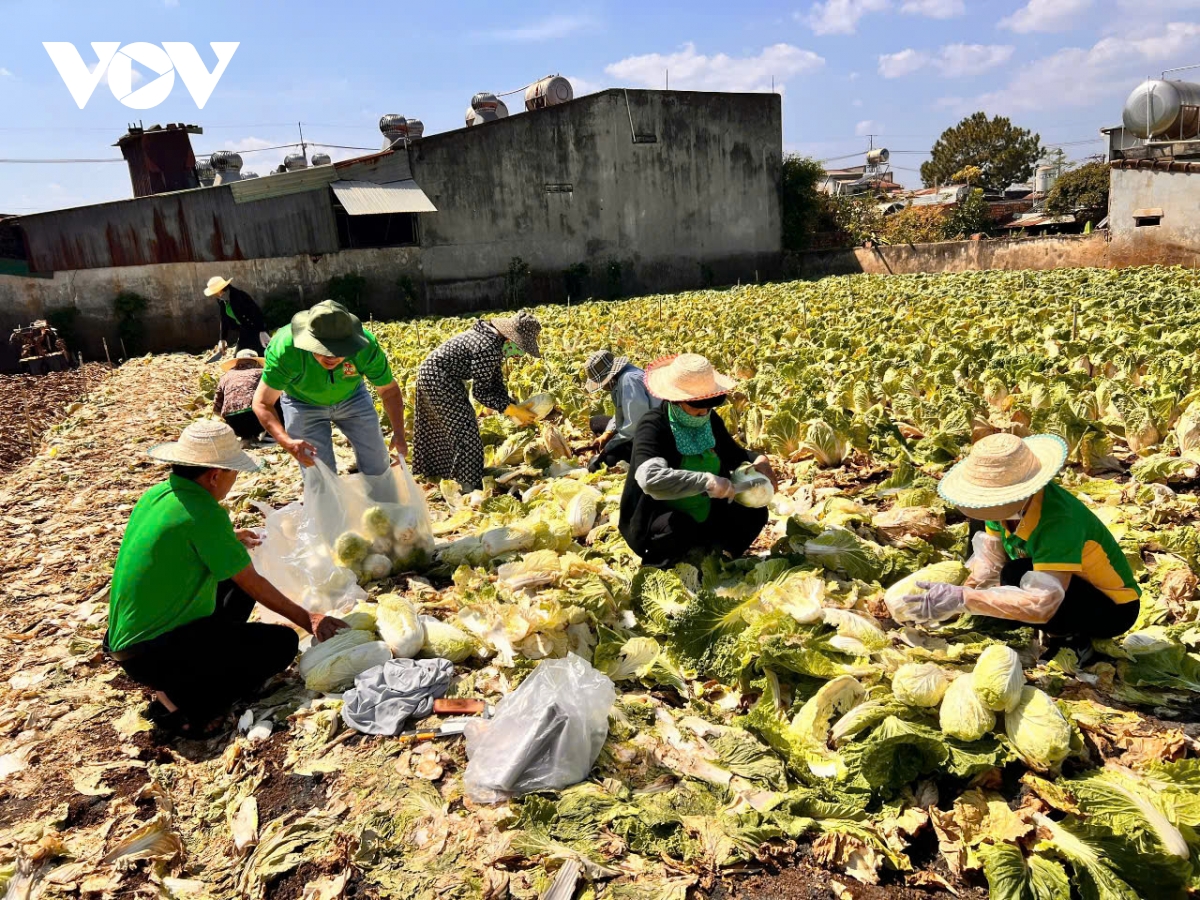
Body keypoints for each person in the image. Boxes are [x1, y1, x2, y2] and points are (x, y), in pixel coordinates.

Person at [105, 420, 348, 736]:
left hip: (125, 640)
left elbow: (175, 542)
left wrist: (227, 538)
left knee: (237, 579)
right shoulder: (204, 513)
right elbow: (252, 582)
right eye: (233, 473)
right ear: (215, 475)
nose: (234, 480)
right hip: (153, 654)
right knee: (281, 645)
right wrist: (308, 619)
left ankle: (204, 661)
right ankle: (182, 703)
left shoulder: (159, 495)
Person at [895, 432, 1141, 643]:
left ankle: (1070, 638)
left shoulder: (1060, 522)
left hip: (1112, 608)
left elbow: (1042, 604)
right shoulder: (998, 507)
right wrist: (962, 594)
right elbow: (988, 562)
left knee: (1015, 573)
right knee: (1006, 569)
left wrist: (964, 599)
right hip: (1059, 585)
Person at [618, 353, 777, 568]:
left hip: (708, 511)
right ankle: (662, 564)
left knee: (755, 509)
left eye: (708, 407)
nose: (703, 413)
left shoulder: (708, 419)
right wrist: (707, 482)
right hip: (665, 517)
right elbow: (650, 479)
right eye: (696, 407)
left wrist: (760, 459)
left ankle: (720, 555)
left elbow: (733, 454)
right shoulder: (654, 425)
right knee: (679, 528)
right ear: (677, 399)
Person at [252, 300, 406, 475]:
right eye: (323, 349)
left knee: (378, 463)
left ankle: (380, 501)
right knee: (319, 472)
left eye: (340, 350)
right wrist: (286, 442)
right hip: (302, 403)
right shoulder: (287, 350)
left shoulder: (365, 347)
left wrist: (399, 432)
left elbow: (389, 391)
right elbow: (262, 403)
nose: (332, 357)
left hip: (353, 397)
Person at [412, 311, 542, 491]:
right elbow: (480, 393)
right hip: (438, 379)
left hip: (436, 376)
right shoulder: (488, 347)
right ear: (510, 339)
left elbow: (494, 383)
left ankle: (447, 476)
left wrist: (511, 404)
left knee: (450, 429)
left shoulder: (493, 342)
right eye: (521, 346)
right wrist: (511, 410)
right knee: (467, 433)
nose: (520, 353)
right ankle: (468, 487)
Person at [584, 349, 661, 473]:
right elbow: (622, 412)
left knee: (603, 463)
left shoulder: (629, 380)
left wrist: (608, 448)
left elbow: (634, 426)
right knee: (596, 422)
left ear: (609, 377)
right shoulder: (624, 376)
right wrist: (607, 434)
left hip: (654, 436)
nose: (602, 388)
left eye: (602, 384)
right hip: (640, 427)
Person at [205, 275, 270, 357]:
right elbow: (224, 318)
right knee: (238, 357)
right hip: (244, 330)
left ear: (221, 290)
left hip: (256, 329)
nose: (214, 295)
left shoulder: (239, 296)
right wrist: (222, 339)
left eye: (215, 293)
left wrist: (262, 331)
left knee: (263, 356)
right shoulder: (221, 300)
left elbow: (256, 313)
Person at [214, 349, 268, 441]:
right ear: (255, 362)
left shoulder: (226, 376)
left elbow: (216, 406)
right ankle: (269, 434)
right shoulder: (261, 372)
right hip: (257, 421)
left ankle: (246, 437)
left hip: (233, 424)